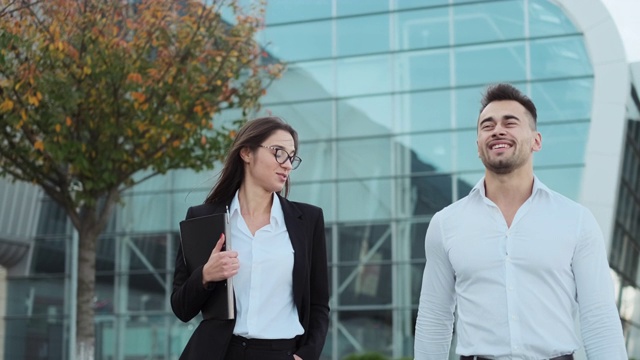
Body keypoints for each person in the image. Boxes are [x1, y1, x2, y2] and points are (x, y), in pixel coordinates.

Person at [414, 83, 627, 360]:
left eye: (510, 122)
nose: (497, 130)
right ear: (478, 146)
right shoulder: (446, 224)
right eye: (487, 125)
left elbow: (598, 316)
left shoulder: (576, 221)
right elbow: (435, 317)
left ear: (536, 141)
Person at [171, 116, 330, 360]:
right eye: (278, 152)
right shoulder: (203, 218)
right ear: (246, 153)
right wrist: (205, 275)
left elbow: (319, 304)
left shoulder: (308, 220)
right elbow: (181, 308)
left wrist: (306, 356)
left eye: (291, 156)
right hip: (219, 352)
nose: (287, 164)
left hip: (281, 353)